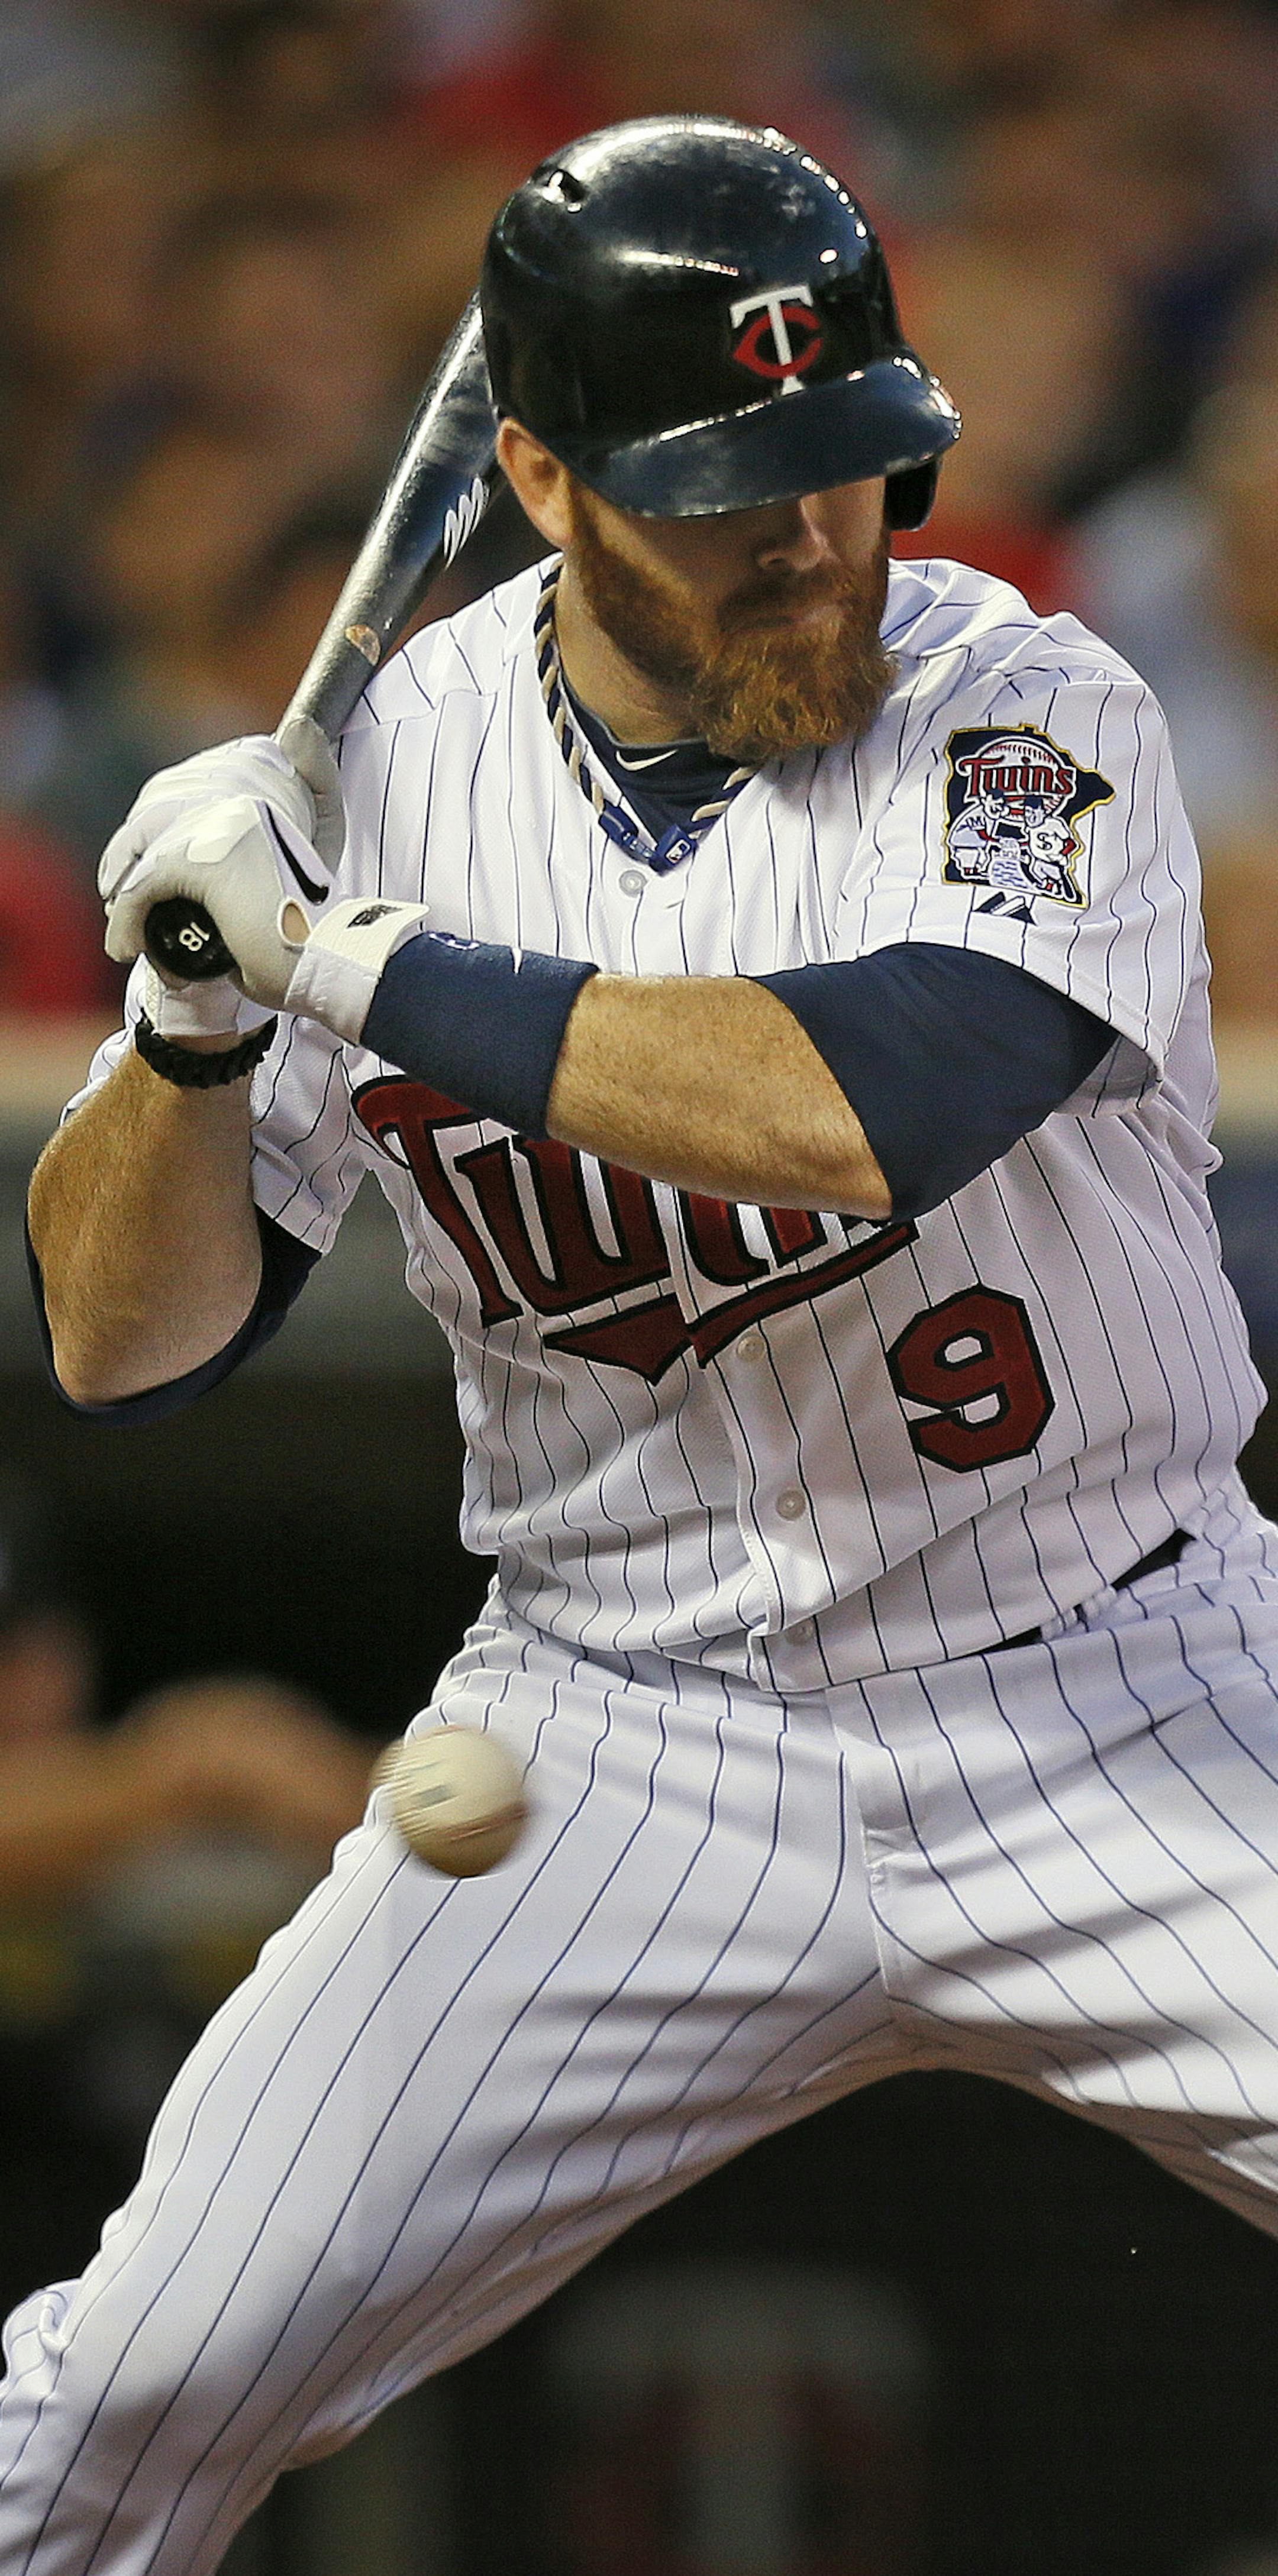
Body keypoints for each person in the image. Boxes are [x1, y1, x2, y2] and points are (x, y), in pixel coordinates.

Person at [9, 114, 1278, 2574]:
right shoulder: (378, 771)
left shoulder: (1031, 708)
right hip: (620, 1740)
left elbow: (851, 1115)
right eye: (726, 489)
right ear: (543, 480)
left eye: (848, 465)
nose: (813, 534)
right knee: (119, 2397)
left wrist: (342, 963)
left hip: (1129, 1683)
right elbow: (115, 1342)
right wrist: (181, 1027)